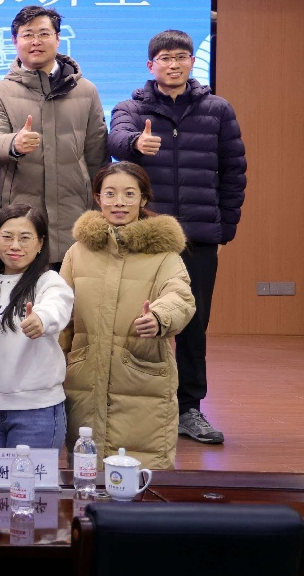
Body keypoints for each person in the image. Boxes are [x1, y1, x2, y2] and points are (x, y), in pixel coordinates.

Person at [108, 29, 247, 446]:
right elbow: (115, 140)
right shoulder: (131, 108)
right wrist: (136, 143)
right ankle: (132, 404)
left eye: (181, 56)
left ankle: (189, 408)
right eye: (165, 58)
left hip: (197, 237)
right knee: (135, 320)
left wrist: (225, 227)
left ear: (192, 62)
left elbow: (234, 172)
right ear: (150, 65)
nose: (174, 64)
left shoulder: (218, 110)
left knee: (192, 323)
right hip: (143, 237)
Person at [59, 162, 196, 470]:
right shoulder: (78, 252)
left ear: (143, 199)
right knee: (87, 474)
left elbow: (180, 297)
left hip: (142, 379)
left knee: (141, 475)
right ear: (98, 198)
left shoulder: (164, 254)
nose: (119, 202)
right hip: (85, 378)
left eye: (129, 194)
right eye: (110, 193)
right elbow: (62, 313)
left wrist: (159, 317)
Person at [0, 6, 109, 267]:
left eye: (43, 33)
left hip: (75, 218)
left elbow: (97, 157)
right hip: (20, 222)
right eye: (27, 35)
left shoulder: (86, 91)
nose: (36, 41)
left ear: (58, 39)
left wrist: (99, 212)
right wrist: (14, 143)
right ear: (15, 41)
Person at [0, 203, 74, 469]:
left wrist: (41, 319)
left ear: (40, 243)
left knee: (30, 492)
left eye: (25, 237)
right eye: (7, 237)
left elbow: (57, 307)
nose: (14, 245)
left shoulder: (49, 282)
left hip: (36, 413)